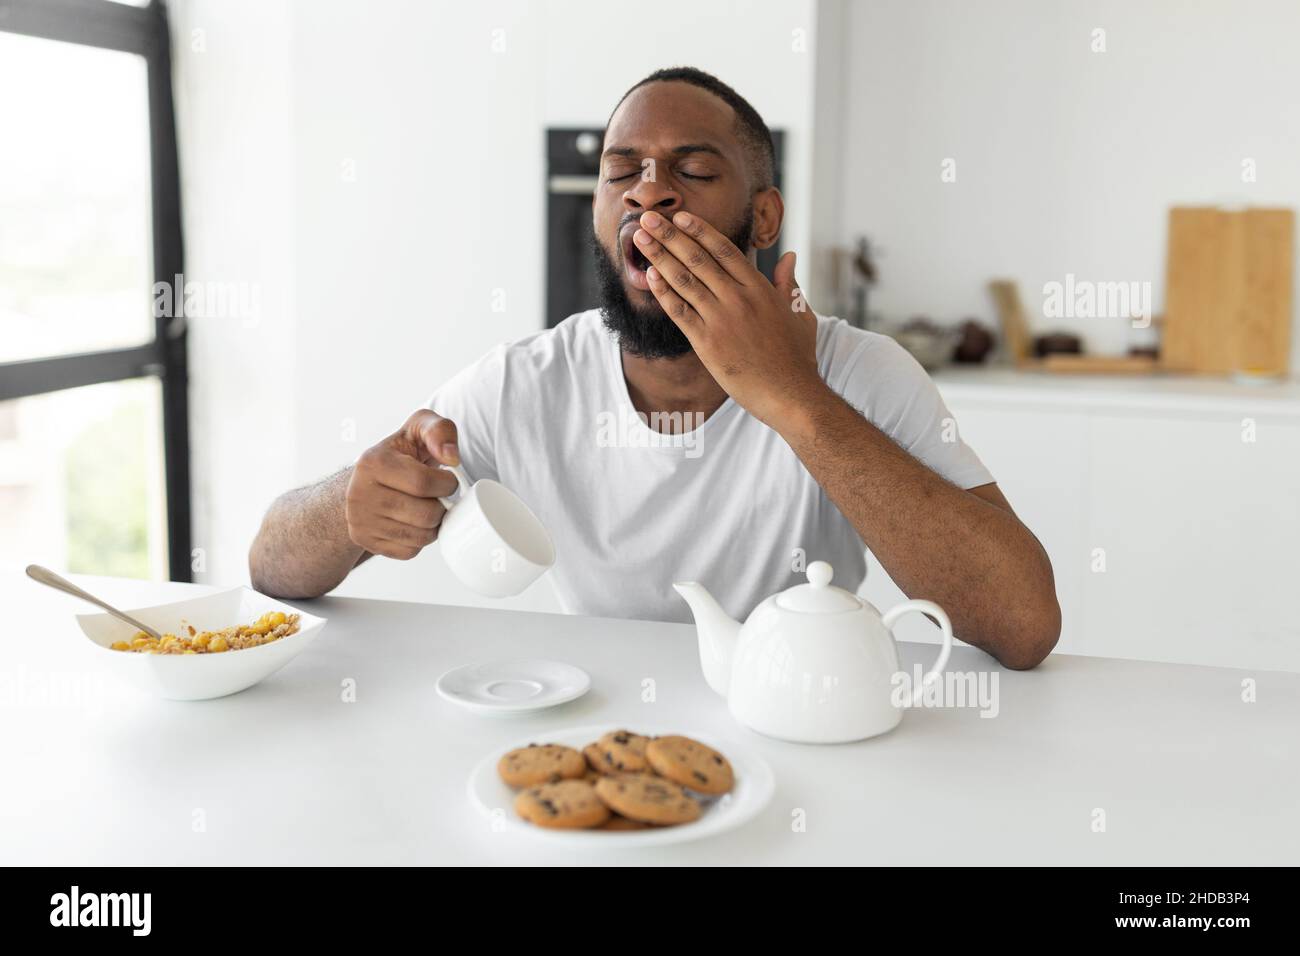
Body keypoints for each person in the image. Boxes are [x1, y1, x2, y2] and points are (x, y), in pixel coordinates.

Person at [249, 67, 1060, 669]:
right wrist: (347, 509)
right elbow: (269, 566)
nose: (650, 194)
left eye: (695, 172)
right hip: (593, 724)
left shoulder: (859, 372)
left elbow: (1023, 624)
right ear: (601, 210)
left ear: (764, 217)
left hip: (800, 716)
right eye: (620, 171)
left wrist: (794, 397)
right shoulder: (523, 383)